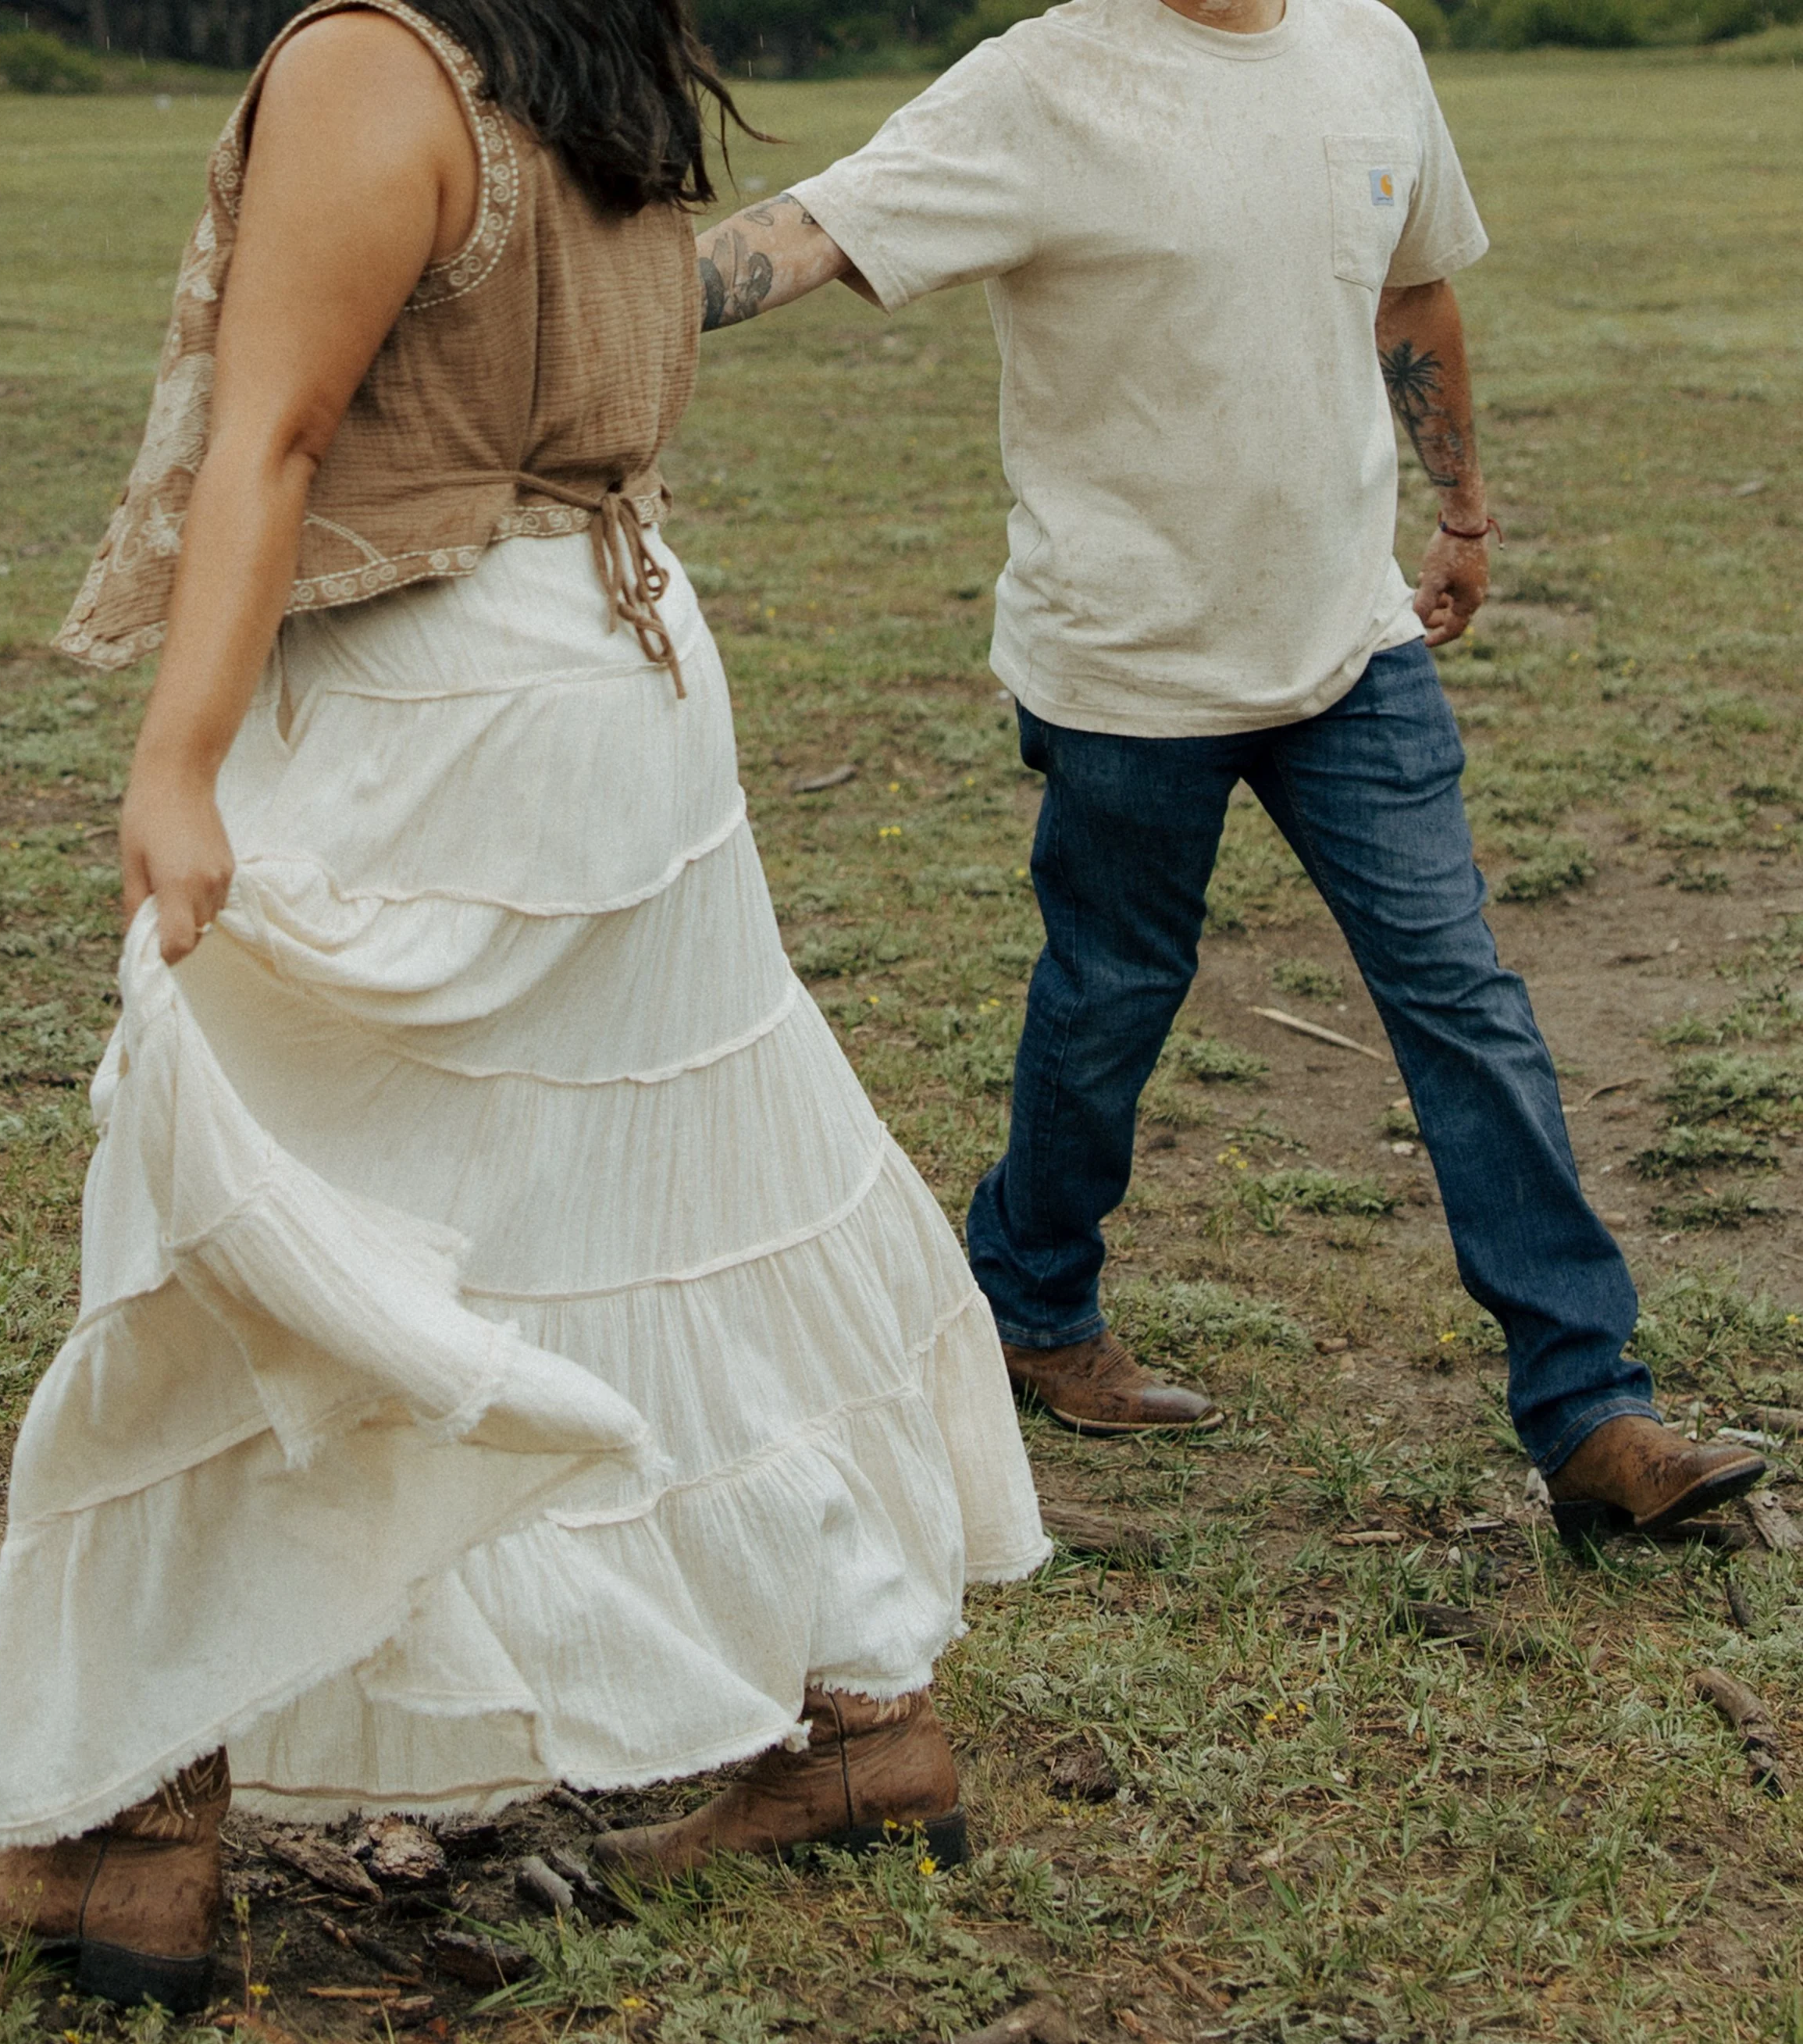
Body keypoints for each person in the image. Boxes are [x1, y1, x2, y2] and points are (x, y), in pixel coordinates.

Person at [0, 0, 1048, 2008]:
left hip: (445, 704)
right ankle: (863, 1717)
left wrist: (176, 757)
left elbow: (275, 430)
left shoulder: (375, 61)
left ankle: (133, 1839)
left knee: (224, 1213)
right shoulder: (587, 54)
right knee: (688, 1196)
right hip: (623, 664)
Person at [693, 0, 1767, 1529]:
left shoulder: (1368, 52)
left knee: (1459, 994)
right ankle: (1034, 1301)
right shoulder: (1042, 82)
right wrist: (588, 312)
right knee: (1106, 1003)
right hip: (1128, 663)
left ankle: (1588, 1404)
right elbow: (812, 232)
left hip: (1349, 642)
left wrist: (1457, 514)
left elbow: (1407, 294)